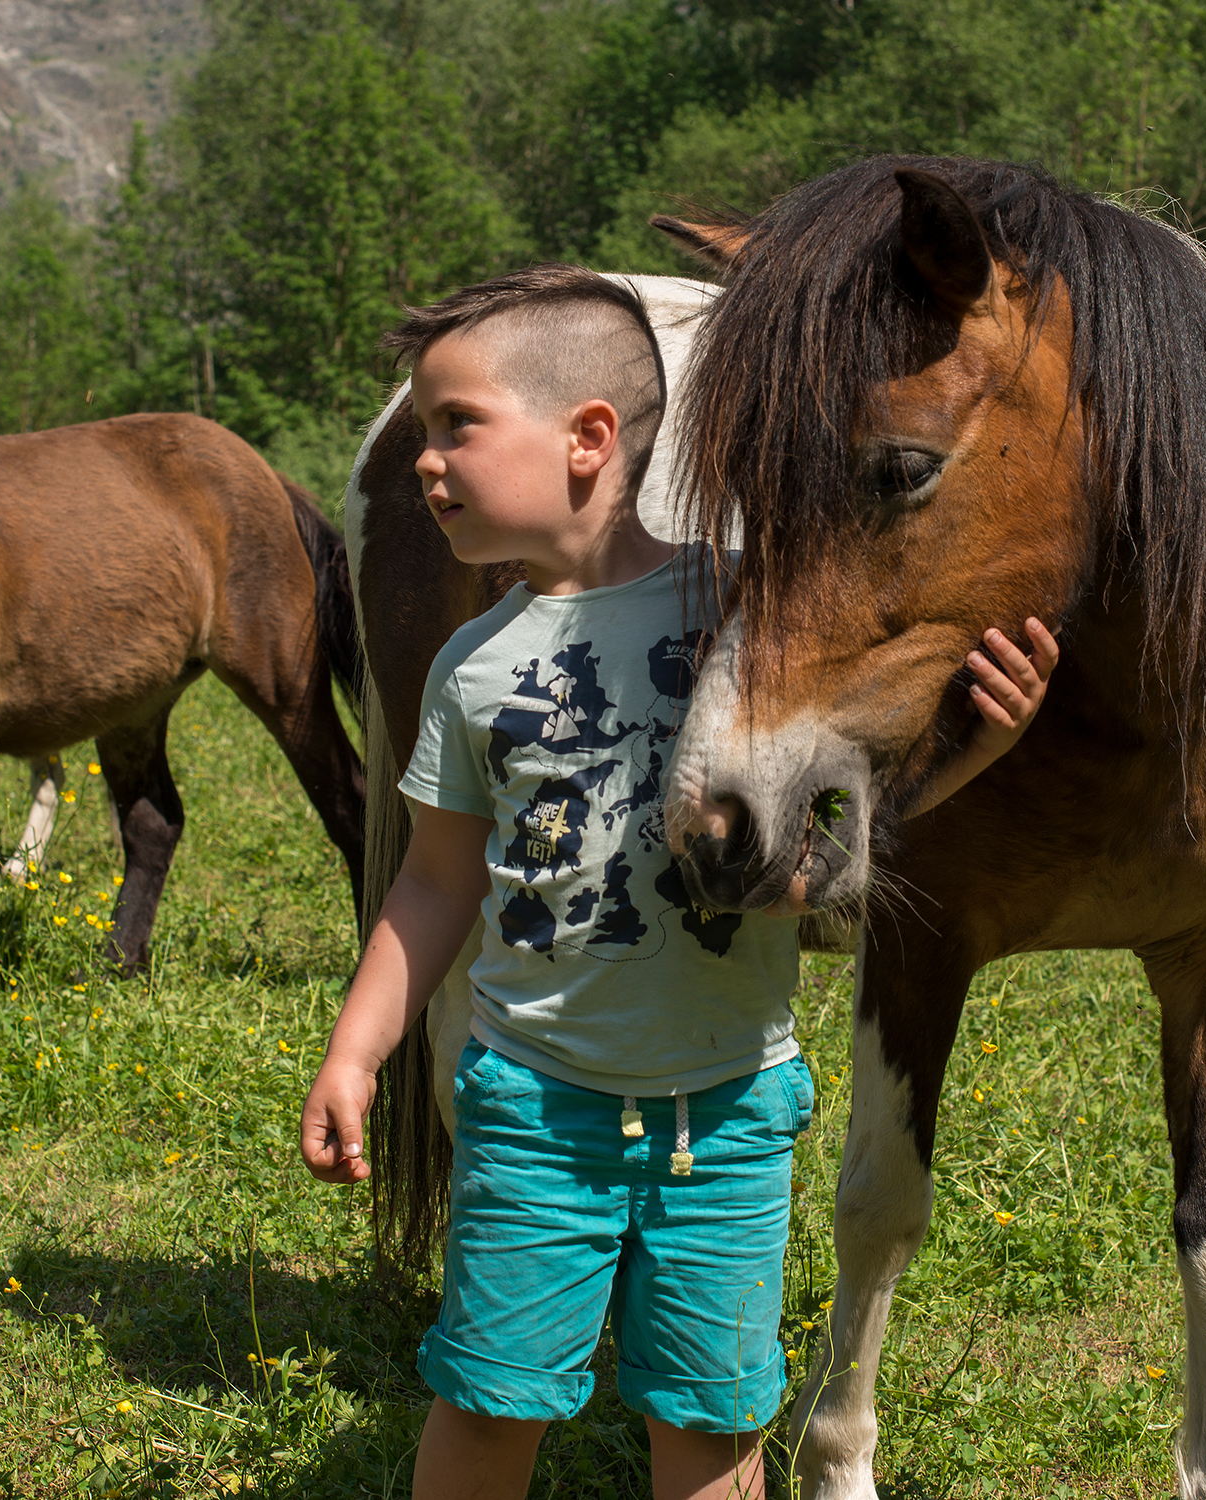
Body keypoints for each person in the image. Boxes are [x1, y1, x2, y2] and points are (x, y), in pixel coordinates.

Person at [297, 266, 1059, 1500]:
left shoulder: (748, 611)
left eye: (456, 426)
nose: (422, 462)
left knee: (711, 1428)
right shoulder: (468, 670)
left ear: (589, 439)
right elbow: (431, 884)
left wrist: (980, 750)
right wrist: (356, 1048)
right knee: (488, 1404)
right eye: (425, 433)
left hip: (731, 1121)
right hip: (533, 1112)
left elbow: (819, 843)